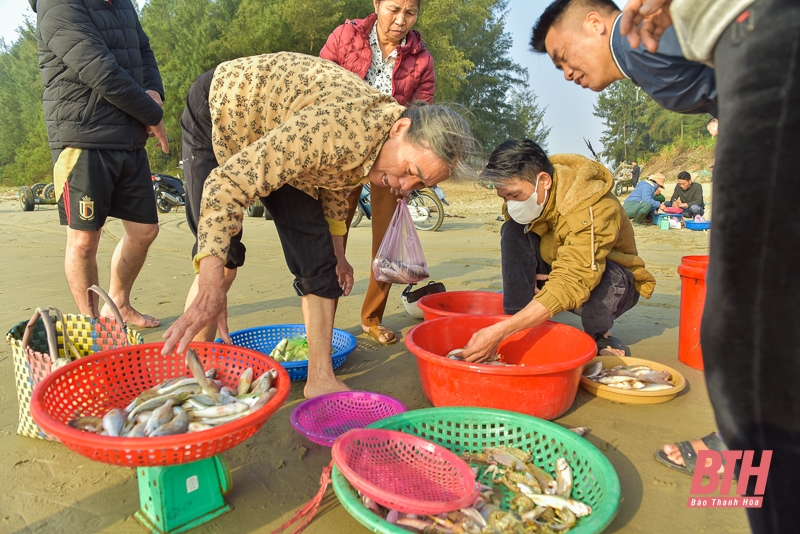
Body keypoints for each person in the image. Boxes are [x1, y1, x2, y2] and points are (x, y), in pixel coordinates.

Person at [170, 52, 472, 398]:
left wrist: (338, 254)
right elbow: (225, 186)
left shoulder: (375, 141)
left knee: (320, 265)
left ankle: (320, 378)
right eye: (411, 172)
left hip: (280, 134)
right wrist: (211, 281)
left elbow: (334, 186)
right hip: (222, 110)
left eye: (419, 185)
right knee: (222, 266)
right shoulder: (336, 129)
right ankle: (189, 380)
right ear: (401, 128)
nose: (404, 188)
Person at [622, 1, 799, 530]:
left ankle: (741, 478)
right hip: (748, 44)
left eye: (563, 58)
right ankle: (735, 463)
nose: (569, 75)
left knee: (748, 338)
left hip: (763, 36)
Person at [30, 0, 169, 327]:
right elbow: (99, 69)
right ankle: (91, 324)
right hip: (82, 137)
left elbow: (143, 48)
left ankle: (117, 303)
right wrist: (153, 115)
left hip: (130, 136)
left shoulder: (122, 3)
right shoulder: (57, 5)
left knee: (144, 231)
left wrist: (153, 90)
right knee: (83, 241)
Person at [461, 139, 656, 361]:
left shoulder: (592, 205)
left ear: (543, 180)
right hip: (555, 265)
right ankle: (519, 317)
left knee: (604, 276)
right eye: (504, 197)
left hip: (610, 279)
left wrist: (500, 331)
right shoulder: (531, 192)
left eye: (515, 196)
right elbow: (525, 242)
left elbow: (575, 277)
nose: (510, 204)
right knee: (513, 230)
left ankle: (601, 334)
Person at [320, 0, 435, 345]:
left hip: (390, 159)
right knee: (331, 237)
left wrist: (410, 167)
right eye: (394, 9)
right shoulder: (345, 36)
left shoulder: (421, 59)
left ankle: (371, 317)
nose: (401, 20)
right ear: (377, 4)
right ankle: (321, 321)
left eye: (410, 13)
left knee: (386, 242)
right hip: (342, 155)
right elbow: (319, 85)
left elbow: (421, 115)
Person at [530, 0, 717, 116]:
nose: (567, 74)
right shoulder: (633, 61)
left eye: (563, 57)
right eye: (560, 68)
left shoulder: (641, 35)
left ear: (594, 24)